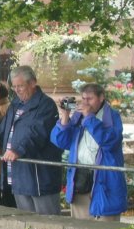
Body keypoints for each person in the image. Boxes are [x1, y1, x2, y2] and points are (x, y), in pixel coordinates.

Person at [0, 66, 63, 215]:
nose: (17, 90)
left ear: (33, 83)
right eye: (14, 87)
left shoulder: (45, 105)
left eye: (21, 86)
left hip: (39, 177)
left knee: (48, 223)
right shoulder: (15, 105)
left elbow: (37, 134)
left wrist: (18, 150)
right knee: (26, 224)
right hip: (19, 176)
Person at [51, 83, 127, 221]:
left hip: (105, 182)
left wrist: (89, 118)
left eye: (90, 99)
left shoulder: (112, 117)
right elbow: (60, 141)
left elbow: (109, 142)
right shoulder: (78, 116)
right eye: (83, 99)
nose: (86, 103)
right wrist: (65, 115)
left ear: (101, 98)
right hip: (80, 179)